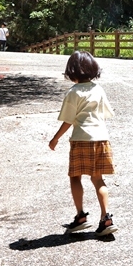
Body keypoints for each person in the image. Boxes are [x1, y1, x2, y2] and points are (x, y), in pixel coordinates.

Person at [48, 51, 118, 235]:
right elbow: (106, 113)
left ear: (71, 71)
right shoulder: (98, 89)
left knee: (75, 177)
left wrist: (55, 138)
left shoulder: (73, 93)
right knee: (98, 179)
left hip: (81, 139)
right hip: (101, 139)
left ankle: (80, 216)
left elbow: (69, 120)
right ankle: (106, 218)